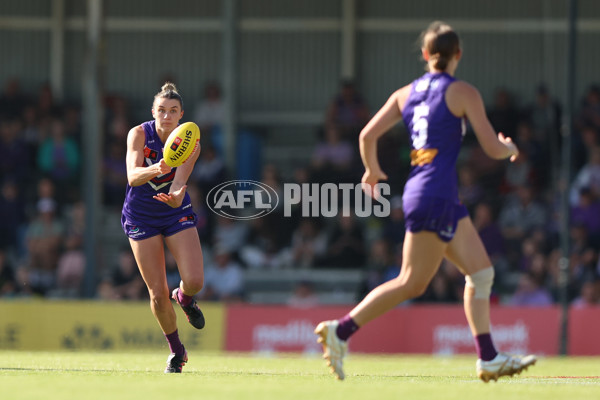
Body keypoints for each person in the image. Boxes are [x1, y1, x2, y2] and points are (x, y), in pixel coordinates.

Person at [314, 22, 536, 383]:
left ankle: (489, 357)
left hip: (429, 192)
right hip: (437, 193)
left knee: (480, 273)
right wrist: (510, 147)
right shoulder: (463, 92)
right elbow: (492, 148)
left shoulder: (406, 93)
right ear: (457, 55)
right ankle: (340, 331)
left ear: (424, 55)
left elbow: (367, 134)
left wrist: (372, 171)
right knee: (411, 283)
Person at [121, 82, 205, 373]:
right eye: (161, 110)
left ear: (182, 114)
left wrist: (177, 196)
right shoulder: (139, 134)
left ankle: (185, 297)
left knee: (194, 280)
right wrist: (156, 168)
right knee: (157, 293)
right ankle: (177, 352)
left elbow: (180, 183)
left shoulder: (190, 141)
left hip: (173, 212)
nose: (167, 116)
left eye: (173, 111)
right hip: (141, 215)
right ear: (153, 111)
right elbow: (132, 177)